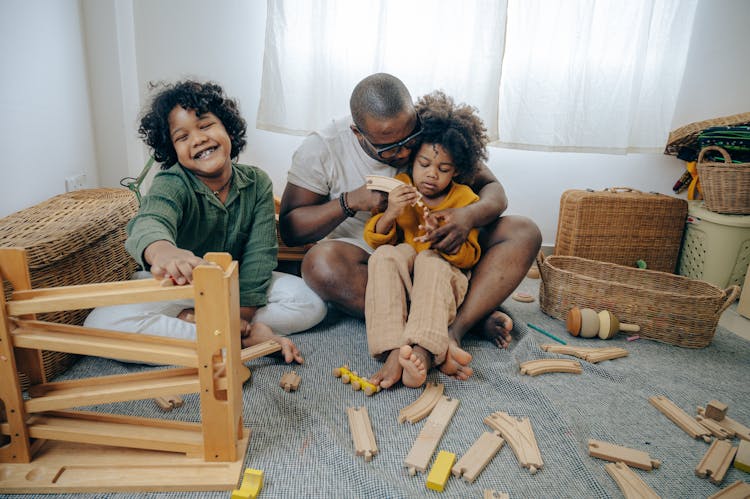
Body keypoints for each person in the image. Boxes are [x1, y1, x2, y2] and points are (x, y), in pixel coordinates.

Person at [280, 73, 541, 385]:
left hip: (442, 251)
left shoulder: (427, 130)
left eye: (409, 141)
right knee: (321, 264)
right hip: (370, 256)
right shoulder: (323, 148)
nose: (404, 154)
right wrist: (351, 202)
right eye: (389, 149)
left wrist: (466, 217)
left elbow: (494, 192)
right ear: (358, 134)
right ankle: (458, 321)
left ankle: (451, 332)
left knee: (524, 232)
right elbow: (291, 228)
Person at [84, 80, 327, 363]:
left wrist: (242, 314)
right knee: (100, 324)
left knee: (311, 303)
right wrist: (165, 251)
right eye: (182, 137)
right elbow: (150, 220)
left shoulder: (256, 181)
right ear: (172, 150)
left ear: (228, 130)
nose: (197, 139)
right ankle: (231, 338)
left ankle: (210, 330)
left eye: (205, 125)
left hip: (232, 285)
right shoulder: (171, 182)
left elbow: (259, 255)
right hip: (177, 288)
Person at [363, 91, 485, 389]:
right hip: (408, 279)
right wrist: (391, 212)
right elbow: (374, 239)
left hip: (442, 282)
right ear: (412, 161)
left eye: (443, 169)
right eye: (424, 164)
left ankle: (424, 350)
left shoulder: (464, 199)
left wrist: (443, 239)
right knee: (386, 256)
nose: (431, 175)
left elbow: (470, 257)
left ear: (457, 170)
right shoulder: (401, 187)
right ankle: (393, 348)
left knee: (430, 260)